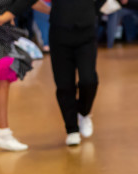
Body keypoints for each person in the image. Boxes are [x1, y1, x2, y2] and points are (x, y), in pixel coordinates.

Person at [0, 0, 48, 151]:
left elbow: (27, 2)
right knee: (1, 76)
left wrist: (58, 12)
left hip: (1, 34)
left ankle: (3, 134)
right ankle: (4, 133)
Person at [48, 0, 102, 146]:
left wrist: (91, 10)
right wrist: (8, 14)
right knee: (64, 85)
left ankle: (84, 112)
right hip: (60, 33)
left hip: (86, 32)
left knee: (88, 80)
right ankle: (71, 129)